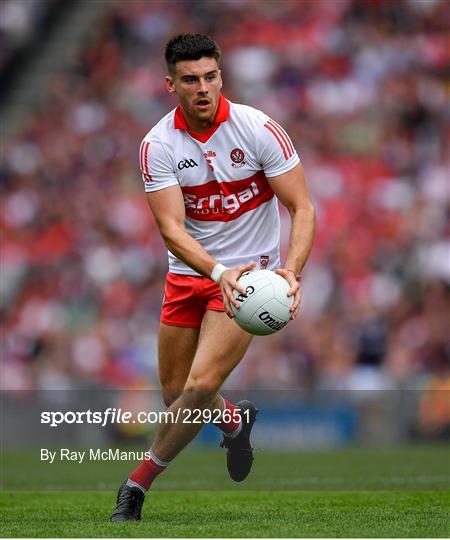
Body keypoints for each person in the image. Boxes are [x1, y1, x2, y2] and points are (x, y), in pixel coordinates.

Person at [110, 33, 315, 521]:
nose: (202, 88)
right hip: (192, 273)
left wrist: (290, 270)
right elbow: (170, 230)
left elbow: (302, 206)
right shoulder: (157, 144)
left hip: (251, 279)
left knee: (199, 386)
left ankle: (135, 486)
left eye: (210, 76)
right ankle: (235, 423)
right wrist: (217, 271)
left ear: (221, 76)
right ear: (170, 84)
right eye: (190, 80)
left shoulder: (259, 128)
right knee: (175, 395)